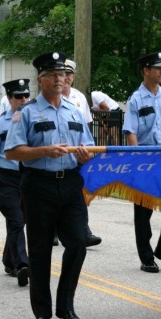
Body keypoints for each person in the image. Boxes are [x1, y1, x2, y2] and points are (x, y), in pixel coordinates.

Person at [4, 51, 95, 319]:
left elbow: (89, 147)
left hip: (70, 183)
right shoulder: (26, 113)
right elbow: (12, 152)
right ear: (40, 80)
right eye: (53, 75)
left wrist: (84, 155)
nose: (60, 80)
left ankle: (66, 307)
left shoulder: (75, 111)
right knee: (41, 250)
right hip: (39, 185)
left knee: (78, 243)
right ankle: (42, 312)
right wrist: (44, 151)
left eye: (63, 75)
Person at [122, 51, 161, 273]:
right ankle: (147, 257)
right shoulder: (136, 99)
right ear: (146, 71)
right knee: (144, 210)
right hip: (146, 158)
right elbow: (131, 132)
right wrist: (137, 160)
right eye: (157, 68)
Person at [0, 78, 31, 288]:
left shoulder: (34, 120)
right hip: (7, 179)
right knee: (17, 220)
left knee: (20, 221)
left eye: (26, 95)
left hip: (29, 177)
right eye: (18, 96)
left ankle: (8, 260)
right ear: (9, 99)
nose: (23, 100)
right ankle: (22, 265)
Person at [62, 59, 101, 248]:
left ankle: (84, 231)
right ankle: (53, 231)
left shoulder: (79, 98)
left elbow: (86, 126)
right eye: (63, 74)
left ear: (73, 77)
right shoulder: (47, 98)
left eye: (69, 74)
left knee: (78, 193)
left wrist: (88, 151)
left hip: (77, 156)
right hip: (56, 156)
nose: (66, 77)